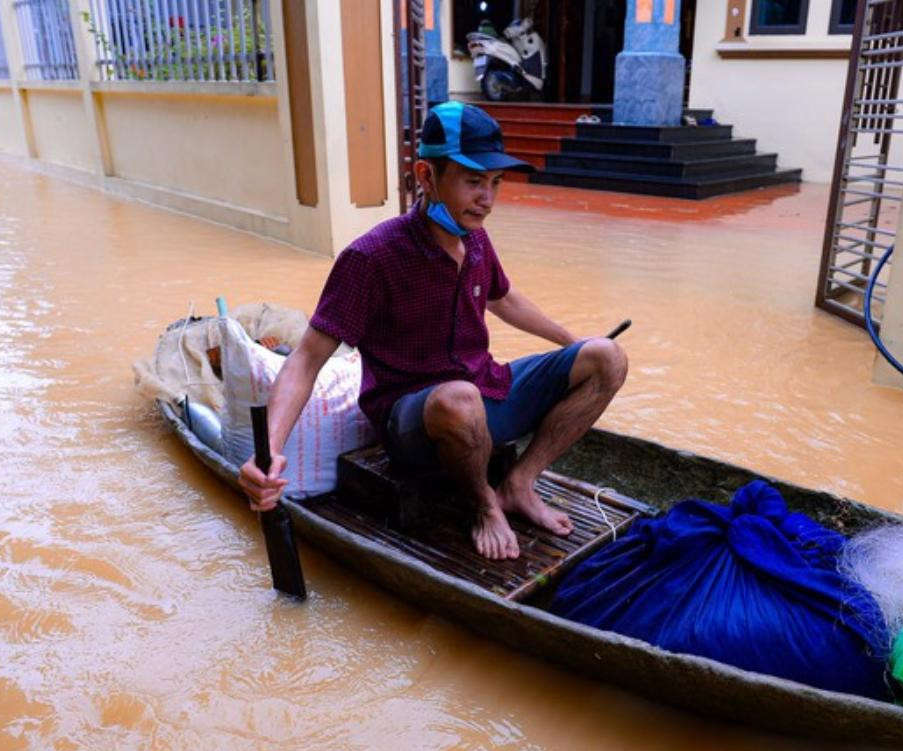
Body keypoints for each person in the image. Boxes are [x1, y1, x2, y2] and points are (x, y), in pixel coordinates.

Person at [238, 101, 628, 561]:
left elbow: (504, 298)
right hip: (414, 423)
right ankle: (484, 505)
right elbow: (305, 359)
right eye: (472, 181)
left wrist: (572, 344)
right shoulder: (372, 257)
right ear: (426, 176)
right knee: (458, 398)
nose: (488, 198)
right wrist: (272, 452)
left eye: (495, 183)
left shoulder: (475, 238)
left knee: (607, 357)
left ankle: (519, 483)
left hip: (483, 391)